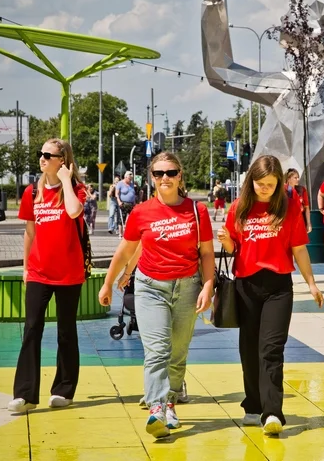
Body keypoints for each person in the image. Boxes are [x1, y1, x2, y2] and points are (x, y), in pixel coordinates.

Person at [99, 152, 214, 439]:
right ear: (151, 178)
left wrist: (208, 286)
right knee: (158, 350)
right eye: (159, 173)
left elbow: (207, 253)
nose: (165, 178)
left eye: (171, 172)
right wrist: (108, 282)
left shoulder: (196, 211)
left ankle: (171, 402)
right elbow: (125, 250)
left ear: (180, 176)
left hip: (188, 286)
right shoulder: (141, 212)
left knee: (178, 352)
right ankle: (157, 408)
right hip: (151, 288)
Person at [217, 155, 324, 436]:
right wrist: (227, 241)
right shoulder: (239, 207)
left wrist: (311, 283)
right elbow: (233, 249)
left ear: (279, 185)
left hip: (278, 286)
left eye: (270, 185)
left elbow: (300, 248)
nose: (264, 189)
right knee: (249, 350)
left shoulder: (289, 208)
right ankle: (252, 405)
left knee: (271, 350)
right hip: (246, 286)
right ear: (250, 180)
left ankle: (273, 412)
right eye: (259, 183)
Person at [8, 139, 88, 413]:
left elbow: (74, 211)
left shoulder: (76, 190)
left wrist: (66, 180)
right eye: (40, 154)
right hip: (39, 272)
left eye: (48, 155)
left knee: (66, 332)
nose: (41, 159)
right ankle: (25, 395)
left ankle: (64, 391)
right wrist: (26, 267)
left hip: (69, 272)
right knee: (32, 329)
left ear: (61, 160)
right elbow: (30, 232)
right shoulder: (32, 192)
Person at [284, 168, 312, 233]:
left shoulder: (302, 190)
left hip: (300, 220)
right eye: (295, 178)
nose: (298, 179)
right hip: (287, 220)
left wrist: (308, 223)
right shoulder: (283, 190)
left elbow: (306, 207)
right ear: (288, 178)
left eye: (298, 177)